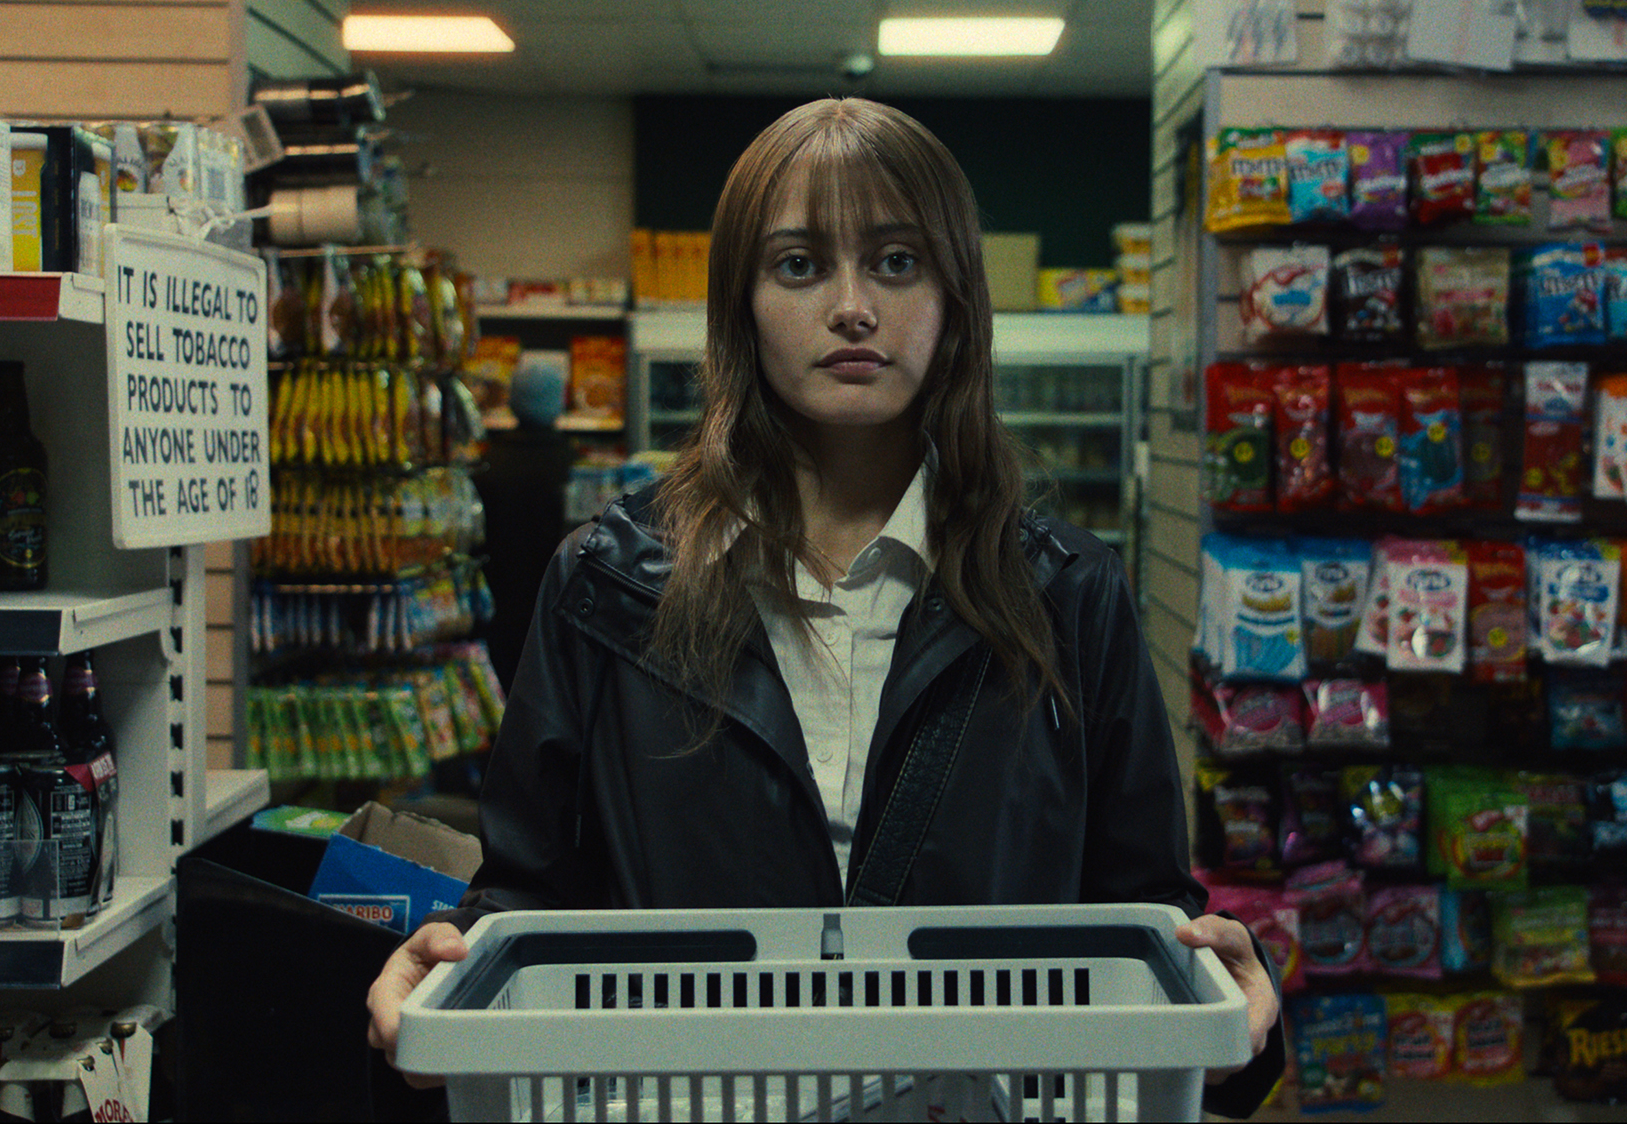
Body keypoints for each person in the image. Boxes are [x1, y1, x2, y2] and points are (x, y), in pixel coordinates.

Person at [367, 97, 1283, 1116]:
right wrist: (440, 989)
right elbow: (528, 902)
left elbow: (1145, 923)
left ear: (955, 301)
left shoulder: (1068, 595)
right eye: (800, 265)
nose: (854, 306)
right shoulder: (608, 587)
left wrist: (1237, 1009)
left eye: (897, 262)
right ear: (741, 306)